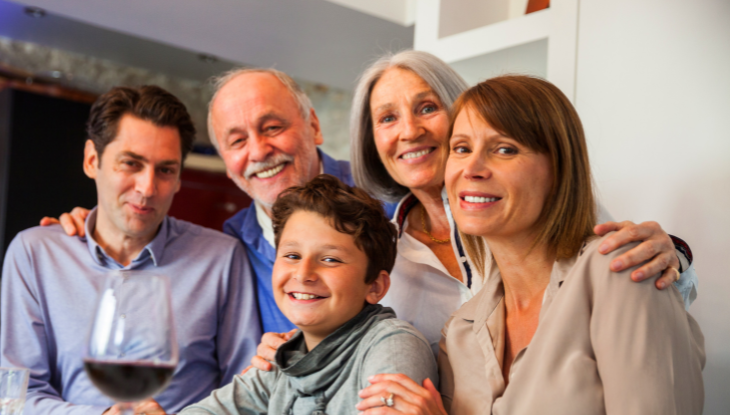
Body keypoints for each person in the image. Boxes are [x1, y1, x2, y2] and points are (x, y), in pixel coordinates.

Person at [357, 75, 730, 415]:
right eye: (462, 148)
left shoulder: (620, 272)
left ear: (560, 169)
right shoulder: (463, 332)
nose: (472, 168)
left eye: (505, 149)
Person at [252, 50, 697, 365]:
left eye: (427, 107)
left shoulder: (537, 208)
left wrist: (669, 257)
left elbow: (644, 295)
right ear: (372, 140)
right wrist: (298, 351)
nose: (408, 131)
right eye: (387, 118)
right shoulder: (383, 249)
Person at [0, 86, 260, 415]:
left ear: (180, 177)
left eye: (166, 170)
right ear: (93, 160)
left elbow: (245, 393)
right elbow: (17, 400)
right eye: (131, 163)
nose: (148, 187)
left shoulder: (222, 259)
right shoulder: (35, 254)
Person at [161, 175, 436, 415]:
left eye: (330, 259)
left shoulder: (394, 345)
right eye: (292, 256)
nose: (303, 274)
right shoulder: (284, 354)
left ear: (375, 286)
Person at [43, 69, 357, 334]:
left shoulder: (388, 203)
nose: (259, 152)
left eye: (272, 128)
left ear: (313, 126)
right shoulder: (232, 247)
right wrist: (95, 228)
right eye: (237, 141)